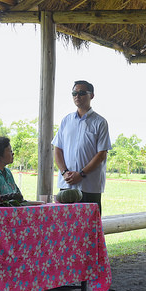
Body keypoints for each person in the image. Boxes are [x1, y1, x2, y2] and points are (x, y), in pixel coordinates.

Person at [52, 80, 111, 213]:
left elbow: (102, 154)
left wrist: (81, 174)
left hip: (89, 186)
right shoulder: (66, 121)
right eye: (74, 93)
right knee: (65, 225)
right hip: (67, 185)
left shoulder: (100, 122)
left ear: (92, 95)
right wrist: (64, 172)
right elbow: (57, 149)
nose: (77, 96)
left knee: (90, 226)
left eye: (82, 93)